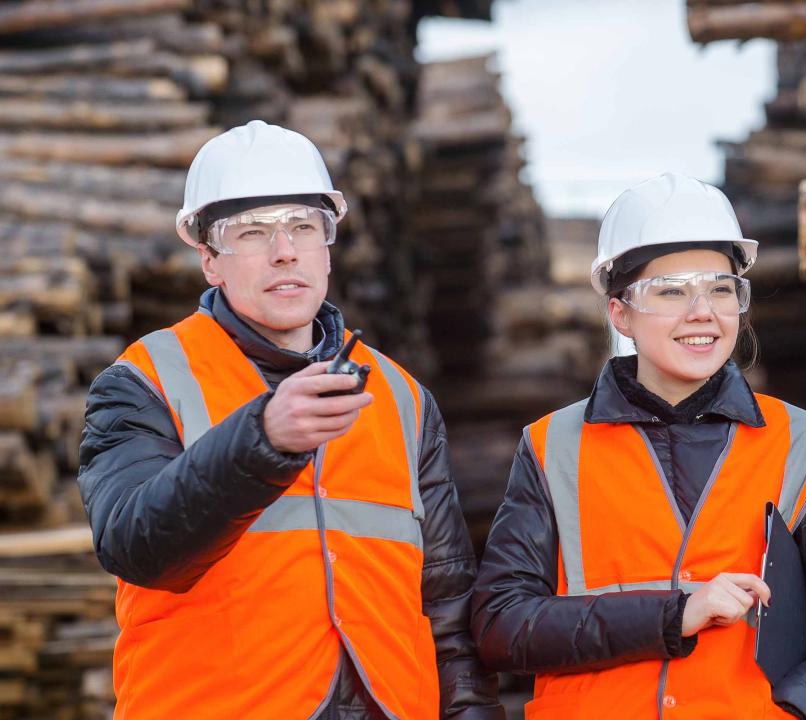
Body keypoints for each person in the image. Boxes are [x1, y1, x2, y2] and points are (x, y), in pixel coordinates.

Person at [77, 120, 503, 719]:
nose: (285, 250)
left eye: (304, 226)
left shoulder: (402, 397)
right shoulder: (144, 381)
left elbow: (449, 608)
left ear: (327, 247)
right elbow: (135, 544)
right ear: (208, 259)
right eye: (252, 232)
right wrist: (262, 440)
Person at [471, 173, 806, 719]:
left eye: (721, 289)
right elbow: (501, 626)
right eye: (670, 291)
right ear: (619, 312)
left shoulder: (799, 446)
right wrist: (671, 617)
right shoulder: (555, 450)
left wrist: (792, 715)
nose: (703, 312)